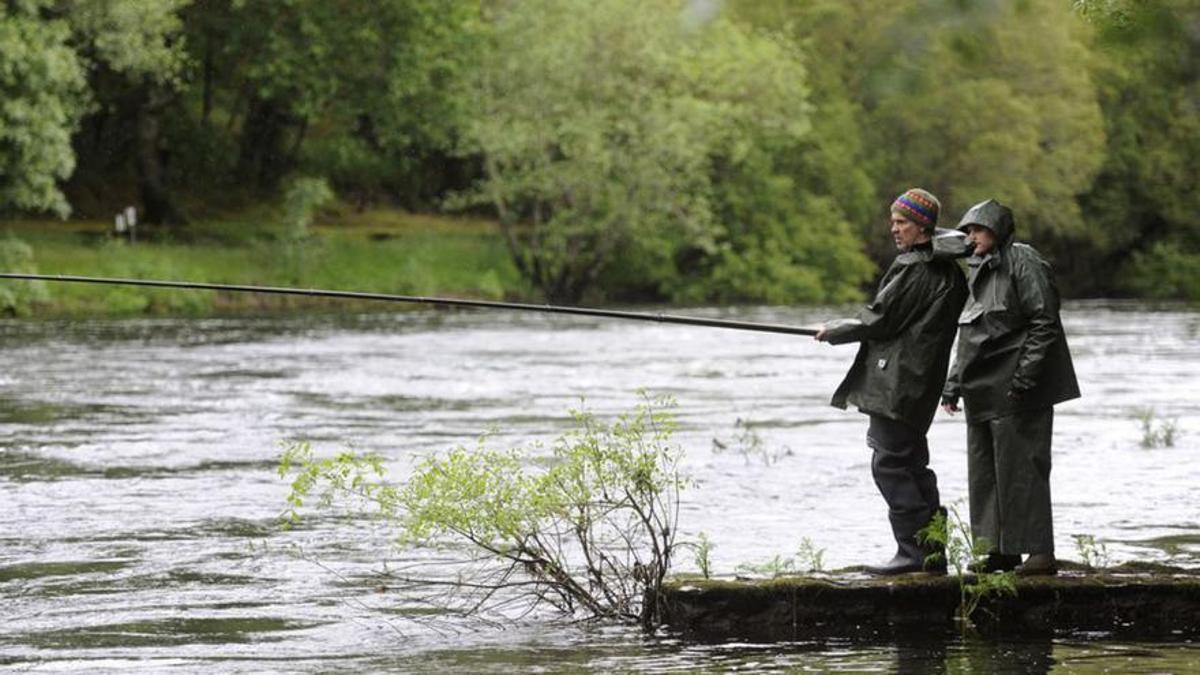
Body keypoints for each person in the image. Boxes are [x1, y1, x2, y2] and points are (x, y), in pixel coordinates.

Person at [816, 188, 969, 575]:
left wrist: (834, 330)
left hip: (899, 382)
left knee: (890, 465)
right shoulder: (948, 270)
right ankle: (932, 555)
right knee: (913, 464)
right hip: (919, 383)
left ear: (922, 228)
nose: (894, 229)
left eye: (902, 223)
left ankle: (913, 554)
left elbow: (881, 320)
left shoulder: (915, 267)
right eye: (893, 221)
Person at [941, 199, 1080, 576]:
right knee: (985, 473)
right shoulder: (978, 269)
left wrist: (1025, 378)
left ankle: (1038, 553)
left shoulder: (1024, 260)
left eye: (978, 229)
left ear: (998, 230)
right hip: (982, 390)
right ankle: (999, 552)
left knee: (1023, 471)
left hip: (1018, 389)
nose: (971, 237)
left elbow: (1044, 322)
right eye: (966, 231)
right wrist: (952, 385)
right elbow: (970, 334)